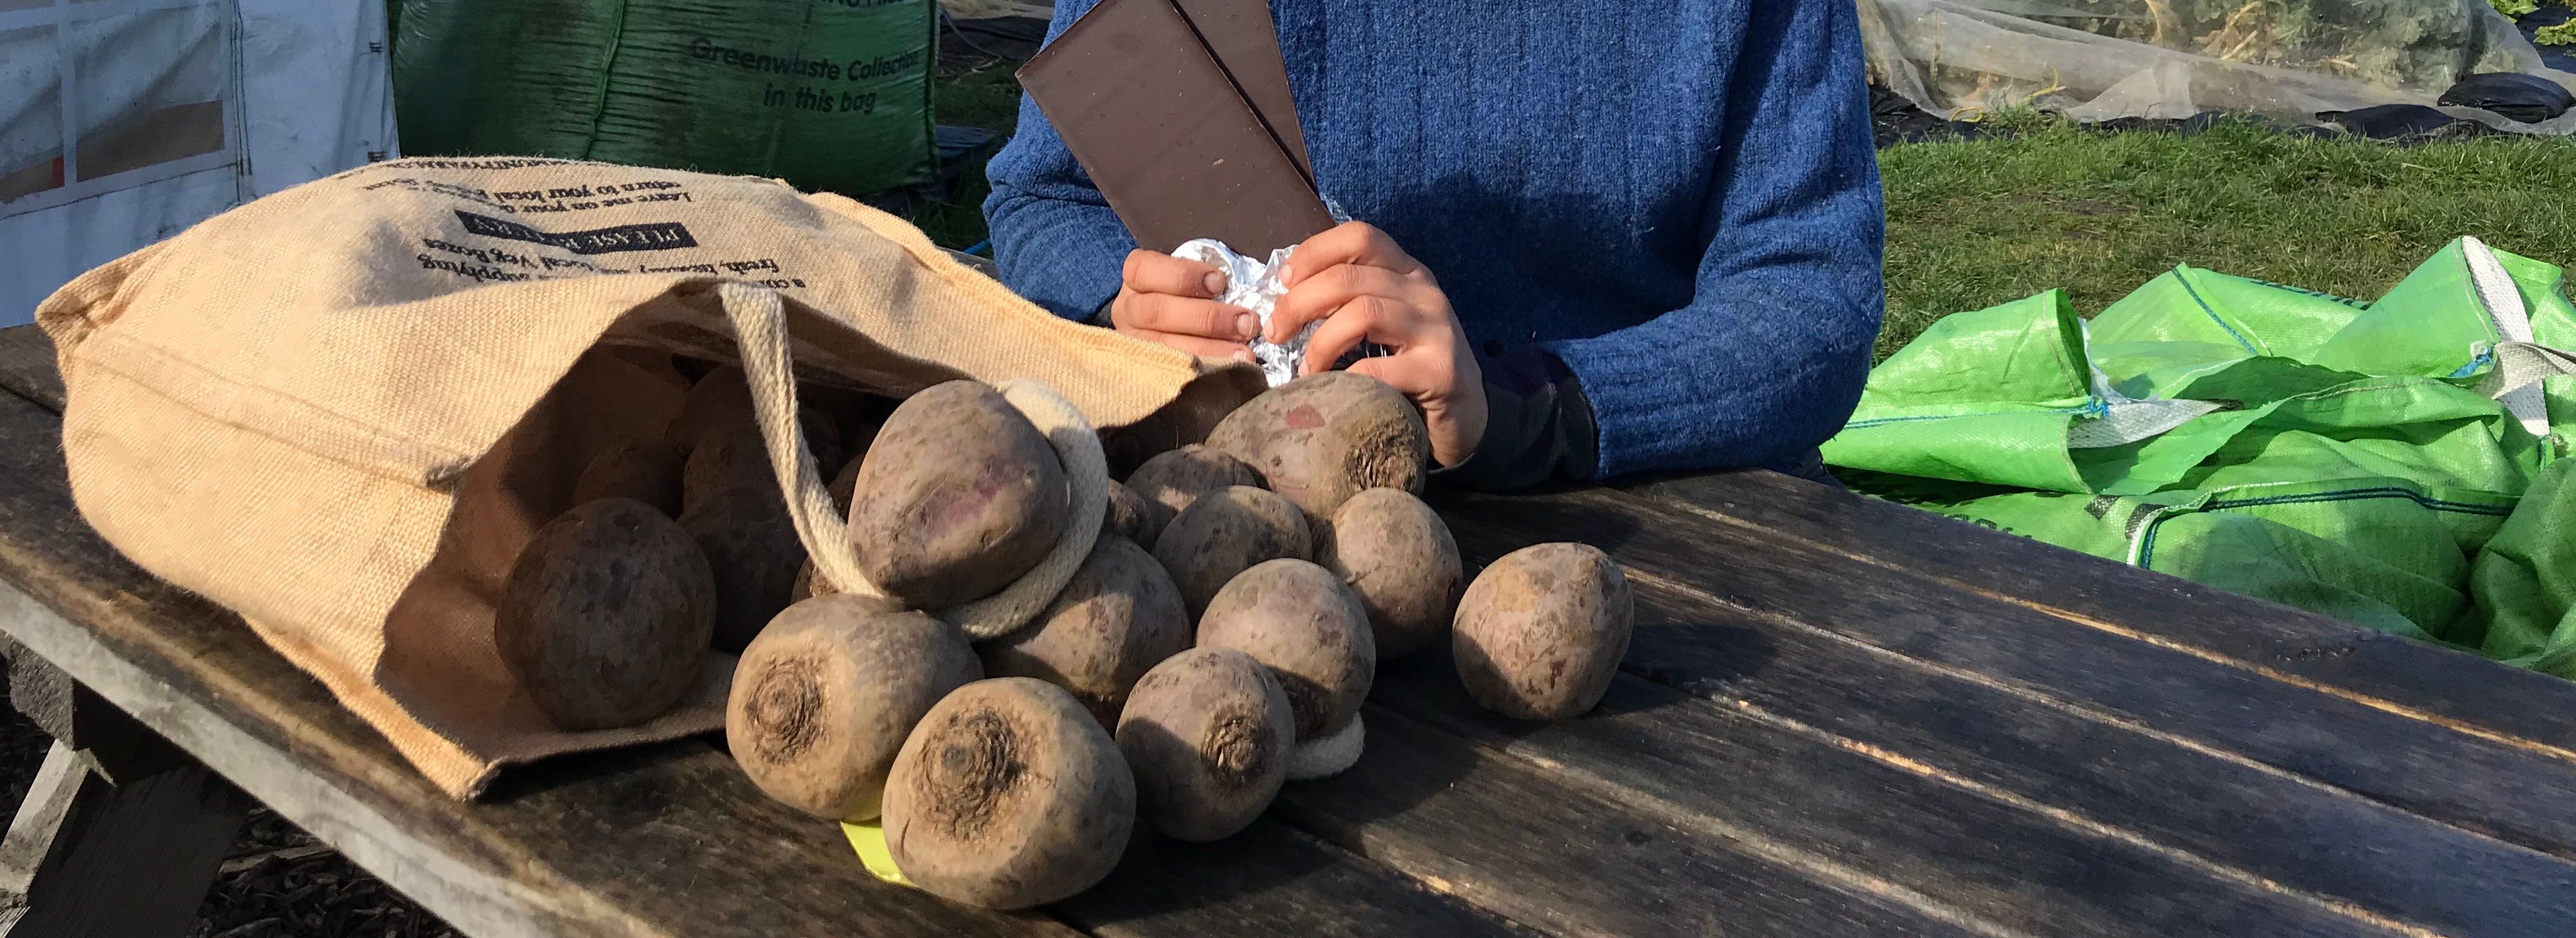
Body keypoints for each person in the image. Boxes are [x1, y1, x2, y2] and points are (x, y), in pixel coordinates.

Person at [982, 0, 1884, 489]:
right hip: (1260, 509)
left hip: (1650, 520)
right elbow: (1044, 194)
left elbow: (1809, 299)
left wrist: (1522, 405)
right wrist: (1127, 297)